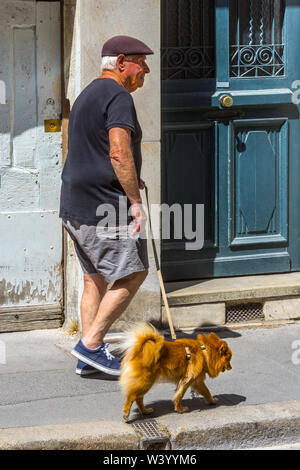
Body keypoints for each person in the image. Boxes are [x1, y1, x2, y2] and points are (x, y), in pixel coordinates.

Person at [59, 35, 153, 376]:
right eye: (142, 63)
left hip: (74, 203)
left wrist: (130, 177)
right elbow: (117, 150)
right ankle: (92, 345)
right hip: (102, 204)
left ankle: (88, 357)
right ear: (123, 61)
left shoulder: (89, 92)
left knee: (94, 279)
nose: (146, 70)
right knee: (134, 271)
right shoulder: (118, 96)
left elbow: (94, 148)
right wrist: (135, 201)